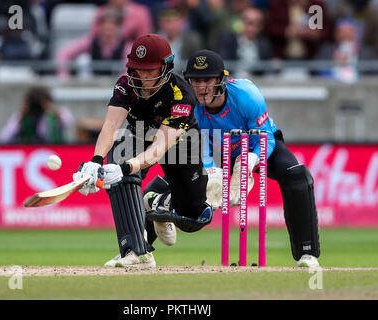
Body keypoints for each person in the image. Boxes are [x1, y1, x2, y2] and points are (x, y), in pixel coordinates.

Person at [72, 34, 213, 268]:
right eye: (139, 70)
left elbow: (159, 148)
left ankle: (158, 199)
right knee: (116, 161)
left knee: (193, 216)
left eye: (150, 70)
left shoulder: (182, 94)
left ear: (165, 68)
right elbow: (111, 125)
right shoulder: (126, 84)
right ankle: (136, 252)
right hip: (139, 133)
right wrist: (95, 162)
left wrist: (126, 167)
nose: (144, 77)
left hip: (180, 142)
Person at [183, 49, 321, 268]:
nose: (201, 88)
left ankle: (307, 254)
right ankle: (141, 251)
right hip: (224, 153)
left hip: (260, 145)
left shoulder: (246, 94)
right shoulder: (190, 105)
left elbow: (266, 136)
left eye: (207, 80)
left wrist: (252, 160)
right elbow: (201, 148)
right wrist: (211, 174)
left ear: (221, 79)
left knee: (297, 177)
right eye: (195, 81)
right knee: (181, 186)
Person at [0, 87, 73, 144]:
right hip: (28, 153)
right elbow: (4, 137)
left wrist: (51, 108)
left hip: (55, 154)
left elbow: (68, 121)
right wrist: (21, 116)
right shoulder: (20, 117)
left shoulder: (53, 116)